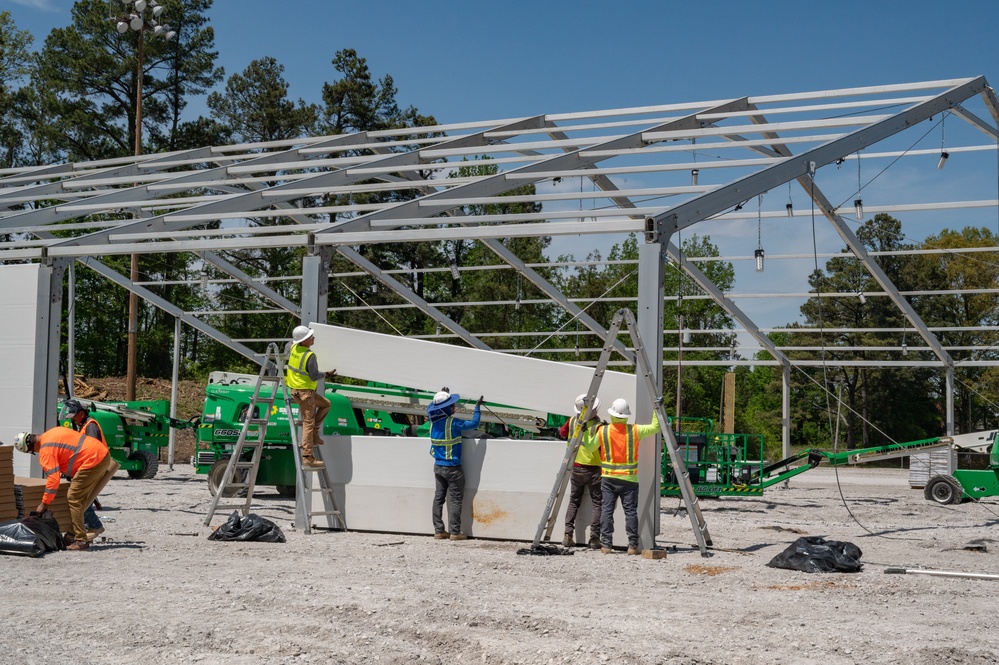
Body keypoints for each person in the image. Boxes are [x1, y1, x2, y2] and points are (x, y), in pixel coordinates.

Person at [14, 426, 112, 551]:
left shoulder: (45, 451)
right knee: (80, 499)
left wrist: (44, 503)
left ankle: (81, 540)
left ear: (30, 449)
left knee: (73, 497)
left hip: (93, 460)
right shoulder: (52, 432)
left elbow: (54, 480)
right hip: (101, 454)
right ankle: (72, 535)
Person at [582, 398, 660, 555]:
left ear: (612, 414)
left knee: (606, 510)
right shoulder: (635, 430)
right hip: (629, 480)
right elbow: (655, 427)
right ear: (626, 416)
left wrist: (584, 432)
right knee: (630, 512)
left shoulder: (603, 431)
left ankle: (606, 545)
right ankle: (632, 546)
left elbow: (590, 447)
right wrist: (656, 408)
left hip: (608, 478)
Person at [427, 388, 482, 541]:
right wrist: (477, 407)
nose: (454, 407)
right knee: (456, 500)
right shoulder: (453, 423)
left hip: (438, 467)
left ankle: (439, 531)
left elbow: (430, 408)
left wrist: (441, 395)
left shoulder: (432, 422)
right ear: (446, 408)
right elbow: (474, 423)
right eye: (452, 405)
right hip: (452, 468)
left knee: (438, 498)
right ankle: (455, 532)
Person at [559, 394, 603, 549]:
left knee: (574, 501)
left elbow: (563, 433)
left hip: (575, 466)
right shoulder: (598, 427)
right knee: (597, 503)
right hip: (594, 468)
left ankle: (567, 534)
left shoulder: (572, 421)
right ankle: (594, 538)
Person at [285, 325, 332, 468]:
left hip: (295, 391)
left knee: (326, 404)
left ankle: (314, 434)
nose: (313, 338)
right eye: (310, 337)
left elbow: (289, 344)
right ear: (304, 341)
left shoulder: (292, 348)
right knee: (308, 423)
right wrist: (327, 374)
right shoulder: (309, 356)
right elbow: (314, 376)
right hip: (306, 393)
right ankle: (307, 457)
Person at [63, 399, 107, 540]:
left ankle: (94, 525)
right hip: (90, 467)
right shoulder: (84, 426)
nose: (73, 419)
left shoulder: (90, 426)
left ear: (81, 413)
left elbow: (91, 451)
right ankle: (93, 525)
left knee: (78, 497)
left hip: (93, 466)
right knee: (82, 497)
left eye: (74, 416)